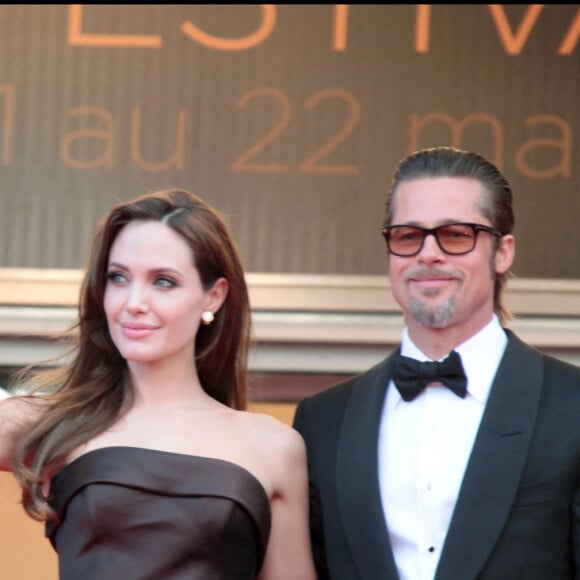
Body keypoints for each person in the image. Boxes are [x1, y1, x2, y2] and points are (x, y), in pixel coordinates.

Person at [293, 146, 580, 580]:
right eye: (409, 236)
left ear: (503, 252)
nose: (428, 253)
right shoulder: (322, 421)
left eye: (456, 234)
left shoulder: (572, 406)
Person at [0, 188, 316, 580]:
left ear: (213, 296)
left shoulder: (273, 446)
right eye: (118, 278)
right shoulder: (55, 422)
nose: (134, 301)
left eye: (163, 282)